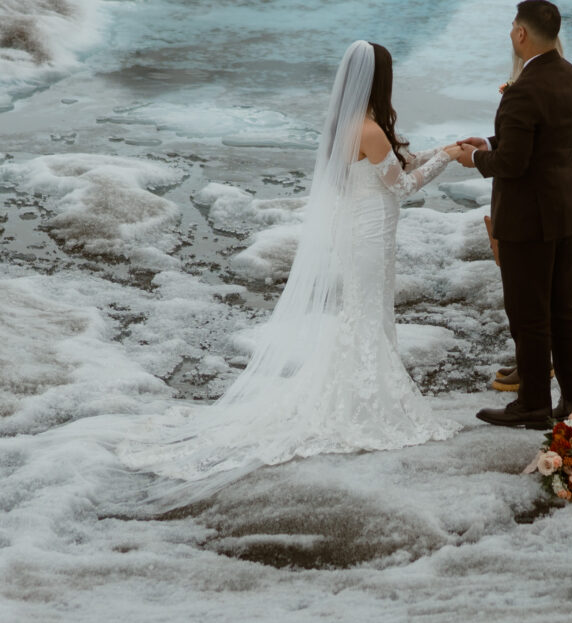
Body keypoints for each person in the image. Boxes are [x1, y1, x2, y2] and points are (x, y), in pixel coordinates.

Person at [118, 41, 459, 486]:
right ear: (380, 81)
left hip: (363, 228)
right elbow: (403, 186)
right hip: (368, 233)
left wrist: (443, 149)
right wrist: (451, 159)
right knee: (366, 313)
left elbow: (399, 163)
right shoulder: (369, 129)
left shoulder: (356, 124)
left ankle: (369, 393)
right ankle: (366, 401)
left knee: (368, 311)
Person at [452, 0, 572, 431]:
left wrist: (475, 158)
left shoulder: (525, 89)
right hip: (567, 211)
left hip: (529, 221)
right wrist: (493, 143)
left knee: (529, 314)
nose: (511, 32)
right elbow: (543, 141)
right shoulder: (571, 76)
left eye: (513, 25)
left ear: (521, 34)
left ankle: (532, 402)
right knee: (564, 308)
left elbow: (514, 165)